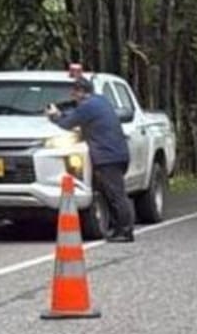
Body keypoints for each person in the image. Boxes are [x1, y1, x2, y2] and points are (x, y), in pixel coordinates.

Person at [45, 76, 135, 243]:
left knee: (116, 194)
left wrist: (54, 116)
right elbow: (77, 115)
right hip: (116, 154)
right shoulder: (100, 101)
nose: (73, 96)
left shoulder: (88, 106)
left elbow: (68, 123)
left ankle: (125, 230)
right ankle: (118, 229)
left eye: (74, 92)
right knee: (112, 194)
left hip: (108, 156)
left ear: (81, 92)